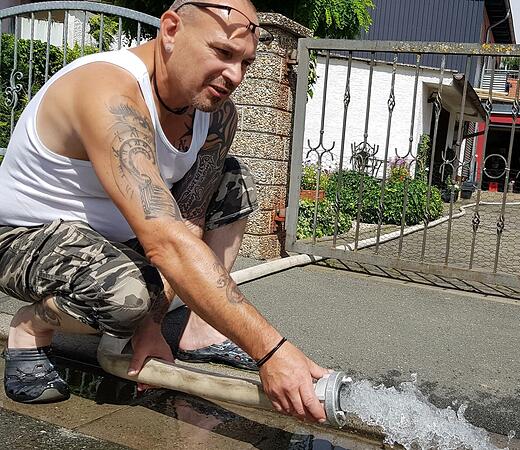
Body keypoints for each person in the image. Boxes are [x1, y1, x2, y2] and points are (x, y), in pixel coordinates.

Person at [0, 0, 329, 422]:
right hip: (25, 237)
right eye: (223, 53)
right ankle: (32, 327)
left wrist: (155, 326)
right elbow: (166, 243)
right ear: (171, 29)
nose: (235, 76)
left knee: (234, 180)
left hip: (118, 236)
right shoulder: (108, 91)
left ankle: (196, 328)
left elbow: (186, 222)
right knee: (126, 297)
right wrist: (272, 352)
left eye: (245, 62)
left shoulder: (218, 116)